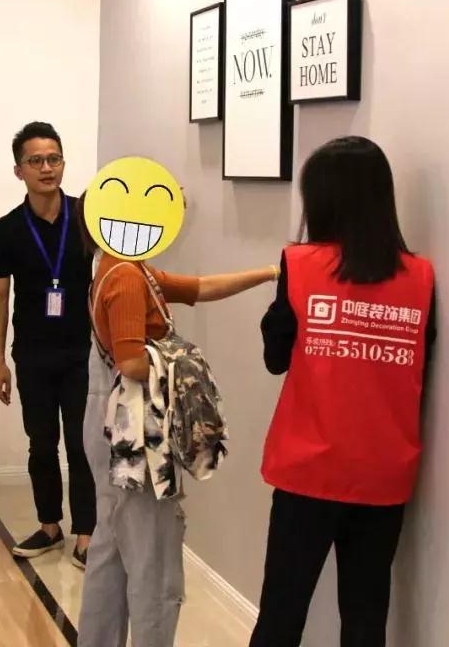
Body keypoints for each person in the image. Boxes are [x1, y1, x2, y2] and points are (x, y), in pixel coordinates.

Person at [249, 136, 437, 647]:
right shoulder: (421, 277)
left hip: (308, 469)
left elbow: (275, 359)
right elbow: (422, 367)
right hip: (384, 472)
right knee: (365, 619)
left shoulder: (301, 265)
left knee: (281, 614)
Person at [76, 190, 280, 647]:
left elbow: (199, 288)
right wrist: (184, 365)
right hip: (134, 437)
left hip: (112, 426)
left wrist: (269, 272)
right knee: (153, 564)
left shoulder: (121, 267)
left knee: (111, 550)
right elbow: (131, 363)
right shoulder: (127, 276)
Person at [0, 121, 96, 567]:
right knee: (42, 442)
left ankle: (86, 533)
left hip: (83, 351)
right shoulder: (6, 230)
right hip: (32, 352)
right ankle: (49, 526)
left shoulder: (87, 216)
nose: (46, 168)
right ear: (19, 171)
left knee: (83, 443)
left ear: (63, 163)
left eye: (54, 159)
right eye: (36, 161)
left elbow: (127, 242)